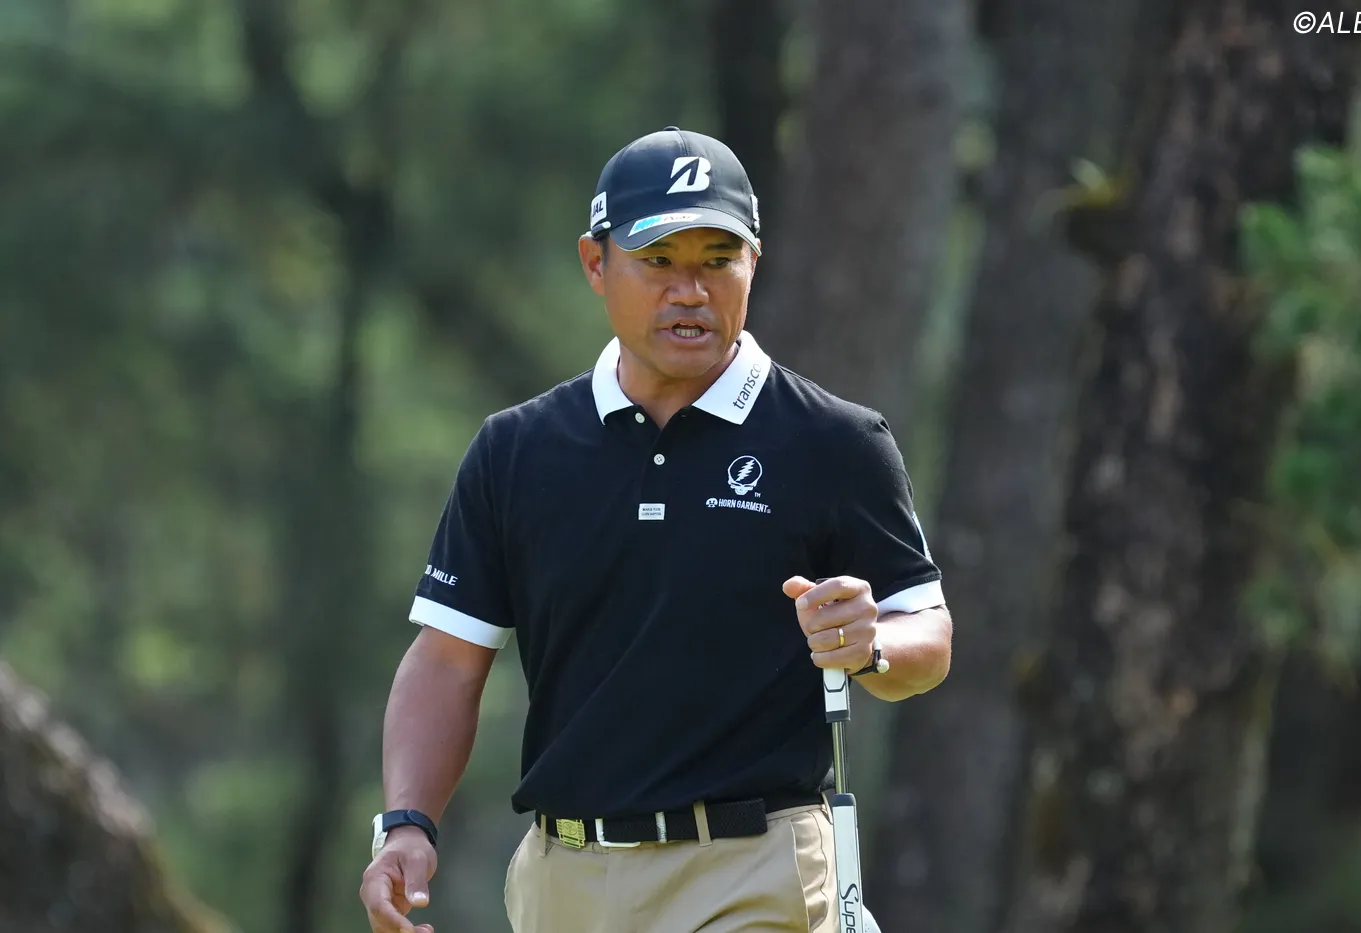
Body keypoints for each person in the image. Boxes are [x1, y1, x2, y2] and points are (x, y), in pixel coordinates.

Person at [359, 126, 953, 933]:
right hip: (562, 881)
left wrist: (871, 643)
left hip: (754, 867)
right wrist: (406, 824)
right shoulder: (517, 450)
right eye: (659, 260)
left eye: (718, 259)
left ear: (754, 263)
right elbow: (446, 661)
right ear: (595, 263)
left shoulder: (835, 443)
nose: (691, 290)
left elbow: (928, 632)